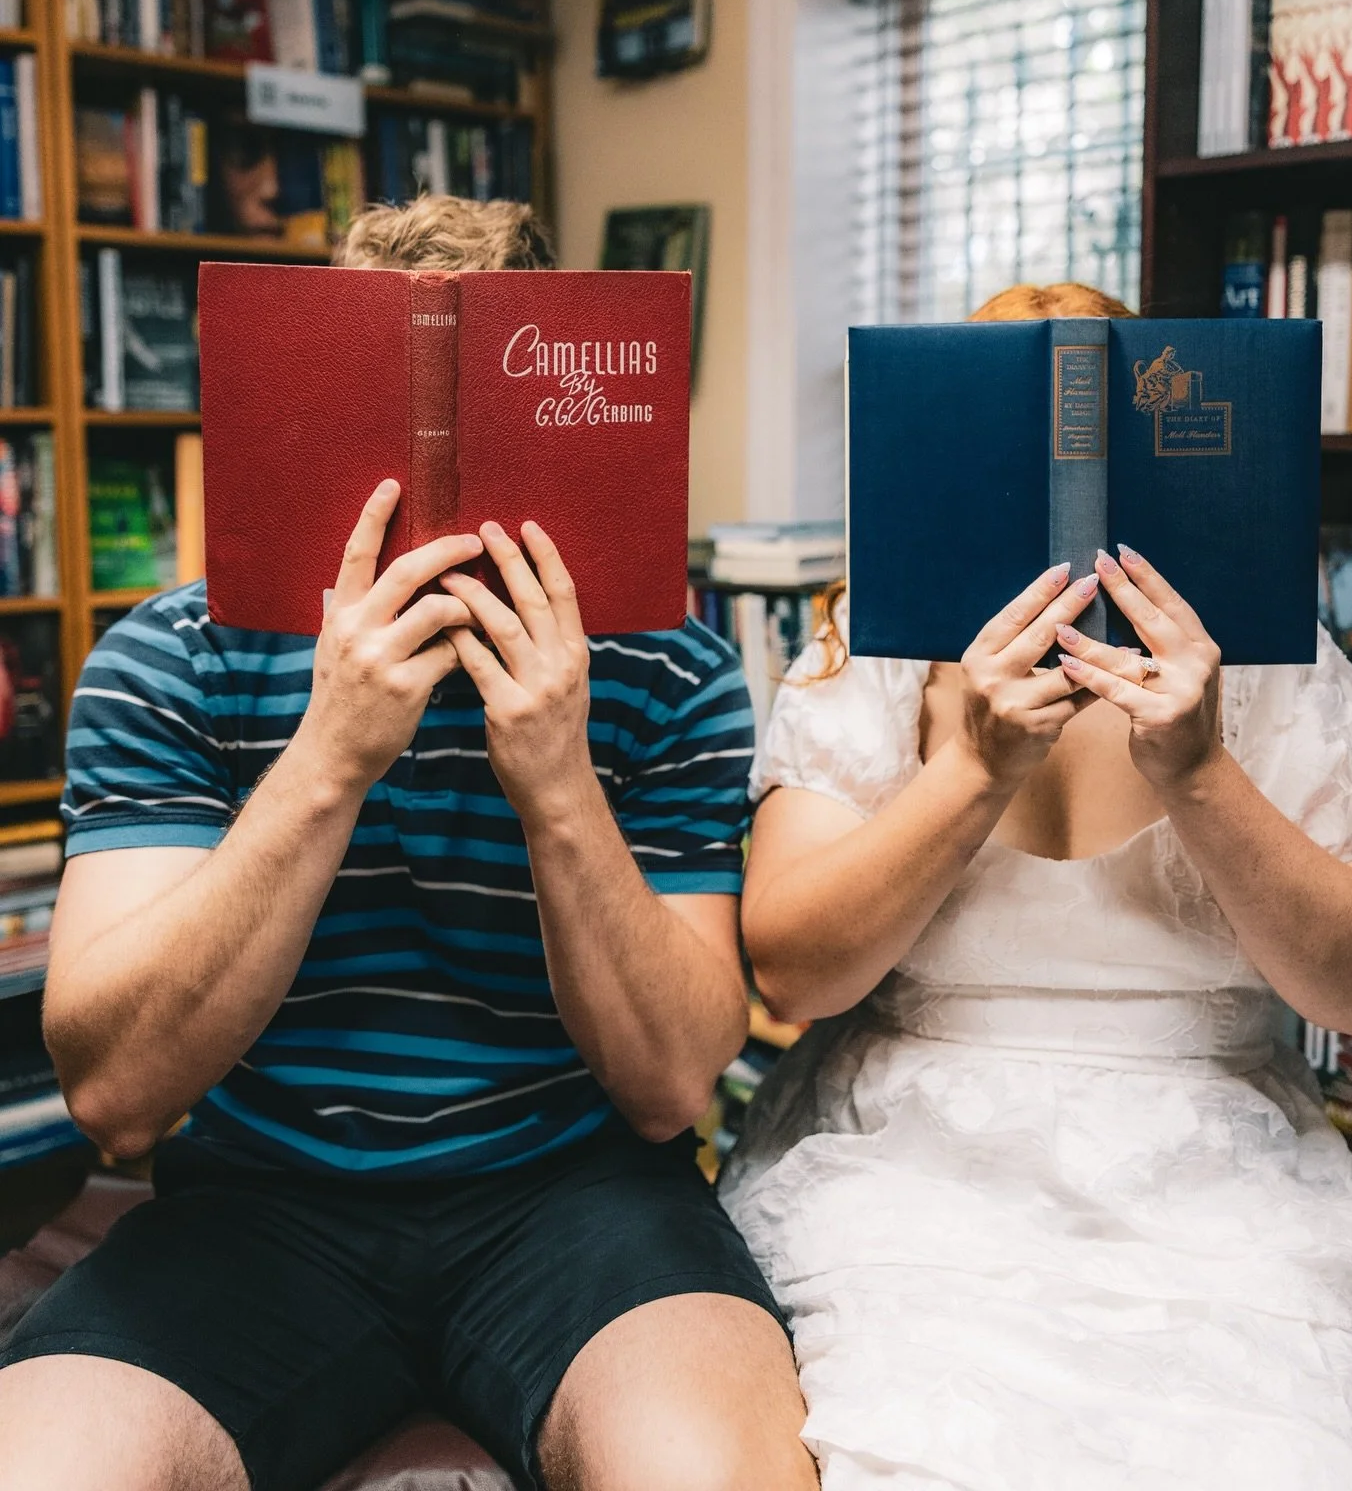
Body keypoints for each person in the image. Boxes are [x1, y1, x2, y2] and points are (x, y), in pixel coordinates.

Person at [0, 196, 815, 1491]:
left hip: (579, 1200)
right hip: (260, 1207)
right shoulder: (166, 661)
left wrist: (557, 781)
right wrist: (328, 757)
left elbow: (670, 1085)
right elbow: (113, 1090)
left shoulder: (673, 669)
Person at [722, 279, 1352, 1490]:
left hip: (1217, 1171)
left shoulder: (1263, 651)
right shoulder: (873, 650)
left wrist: (1200, 769)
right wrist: (975, 768)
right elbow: (793, 969)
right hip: (910, 1166)